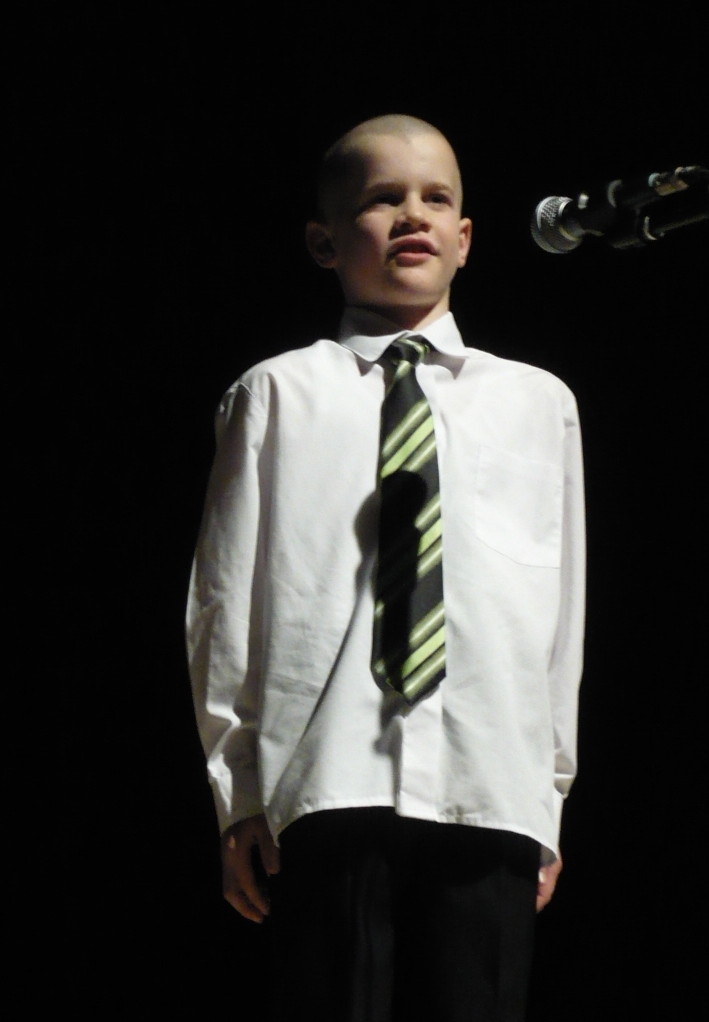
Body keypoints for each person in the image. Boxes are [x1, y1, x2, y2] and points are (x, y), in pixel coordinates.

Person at [186, 113, 586, 1021]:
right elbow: (225, 599)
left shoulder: (537, 402)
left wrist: (547, 796)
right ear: (324, 241)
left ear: (465, 237)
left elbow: (561, 614)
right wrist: (236, 792)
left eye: (436, 198)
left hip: (489, 781)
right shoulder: (277, 393)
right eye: (382, 198)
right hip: (327, 778)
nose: (413, 215)